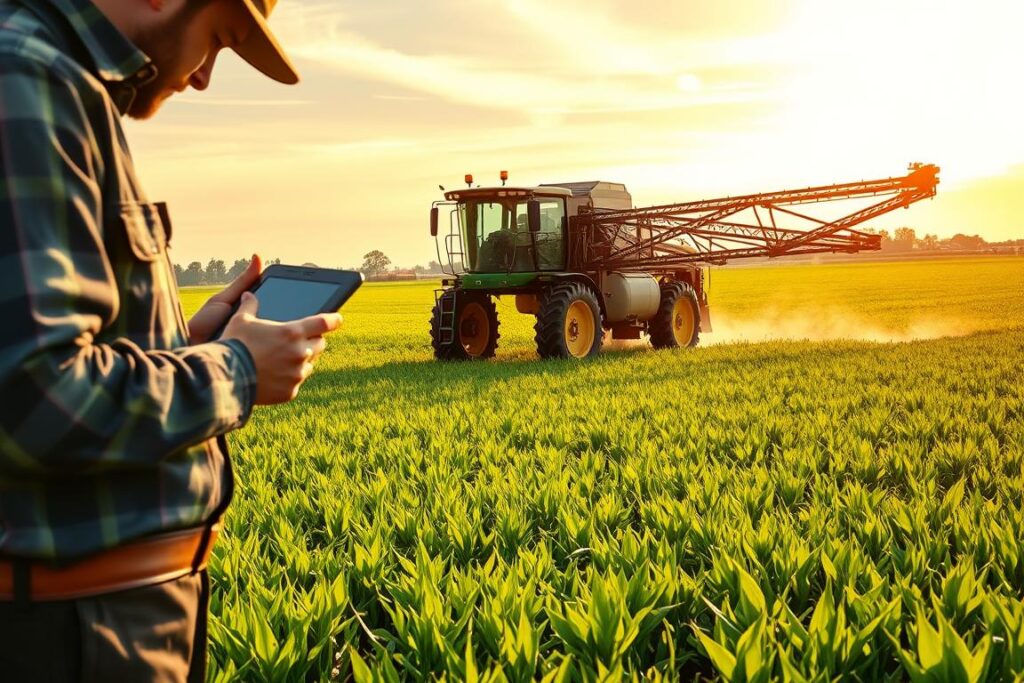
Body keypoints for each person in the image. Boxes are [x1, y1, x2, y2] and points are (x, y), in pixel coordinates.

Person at [0, 0, 336, 679]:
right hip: (78, 632)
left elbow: (52, 348)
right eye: (218, 37)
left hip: (99, 620)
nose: (206, 75)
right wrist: (236, 369)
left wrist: (186, 341)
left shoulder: (59, 79)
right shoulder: (30, 77)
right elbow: (34, 396)